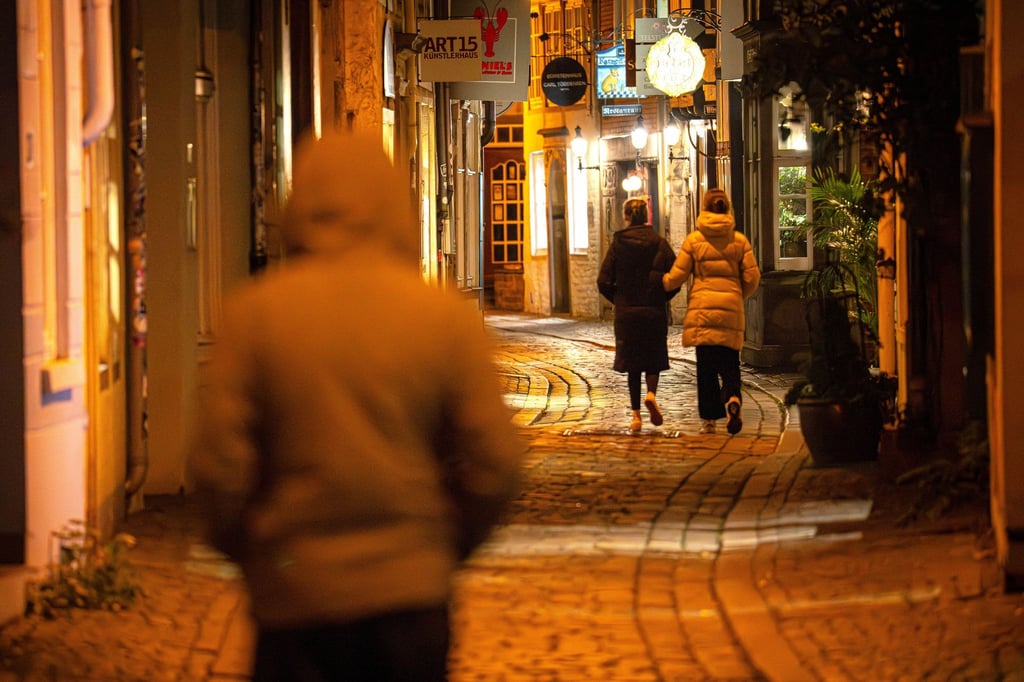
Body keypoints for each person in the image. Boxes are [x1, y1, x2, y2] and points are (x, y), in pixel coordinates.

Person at [188, 130, 523, 682]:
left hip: (295, 596)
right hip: (409, 593)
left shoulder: (257, 314)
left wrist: (253, 550)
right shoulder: (440, 316)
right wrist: (445, 544)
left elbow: (218, 464)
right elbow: (496, 460)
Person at [663, 188, 761, 435]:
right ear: (728, 209)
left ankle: (709, 420)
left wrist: (661, 284)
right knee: (730, 364)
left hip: (703, 311)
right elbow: (752, 276)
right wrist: (738, 294)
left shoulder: (694, 241)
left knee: (706, 369)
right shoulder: (739, 241)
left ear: (703, 210)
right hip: (730, 310)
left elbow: (678, 275)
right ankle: (733, 399)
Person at [598, 197, 680, 433]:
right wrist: (661, 298)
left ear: (625, 217)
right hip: (652, 310)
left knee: (633, 364)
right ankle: (651, 394)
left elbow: (603, 281)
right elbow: (675, 276)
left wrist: (619, 300)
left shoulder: (618, 243)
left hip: (627, 313)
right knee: (653, 358)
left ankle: (635, 416)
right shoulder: (660, 243)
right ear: (647, 217)